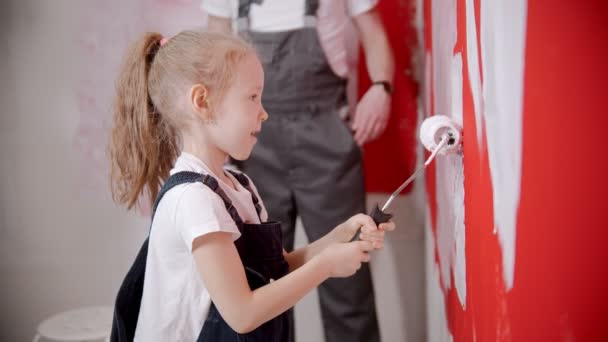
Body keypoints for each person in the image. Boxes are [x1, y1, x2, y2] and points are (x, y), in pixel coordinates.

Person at [108, 30, 395, 342]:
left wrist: (338, 237)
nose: (264, 112)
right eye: (253, 97)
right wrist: (326, 265)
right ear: (202, 102)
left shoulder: (239, 185)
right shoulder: (192, 200)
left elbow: (279, 268)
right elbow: (242, 314)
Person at [202, 1, 395, 341]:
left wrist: (381, 88)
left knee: (349, 277)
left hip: (327, 142)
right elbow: (214, 55)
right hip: (254, 147)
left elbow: (373, 31)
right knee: (261, 280)